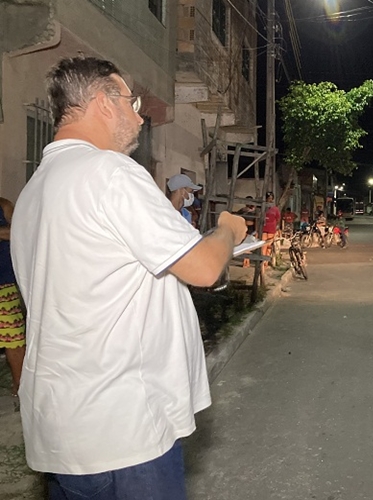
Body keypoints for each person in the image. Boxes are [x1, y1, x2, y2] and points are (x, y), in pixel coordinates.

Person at [10, 56, 247, 498]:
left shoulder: (33, 192)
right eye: (131, 102)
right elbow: (203, 267)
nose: (139, 117)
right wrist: (228, 230)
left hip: (62, 431)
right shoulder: (110, 172)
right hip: (124, 431)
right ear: (104, 103)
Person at [0, 198, 26, 397]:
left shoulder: (3, 205)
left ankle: (21, 388)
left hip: (4, 284)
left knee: (14, 338)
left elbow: (20, 230)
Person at [261, 191, 281, 271]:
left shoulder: (275, 209)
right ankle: (263, 260)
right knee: (263, 245)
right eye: (268, 198)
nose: (270, 200)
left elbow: (278, 219)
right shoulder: (263, 207)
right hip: (263, 228)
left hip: (272, 229)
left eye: (271, 198)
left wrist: (277, 229)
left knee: (269, 245)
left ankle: (266, 261)